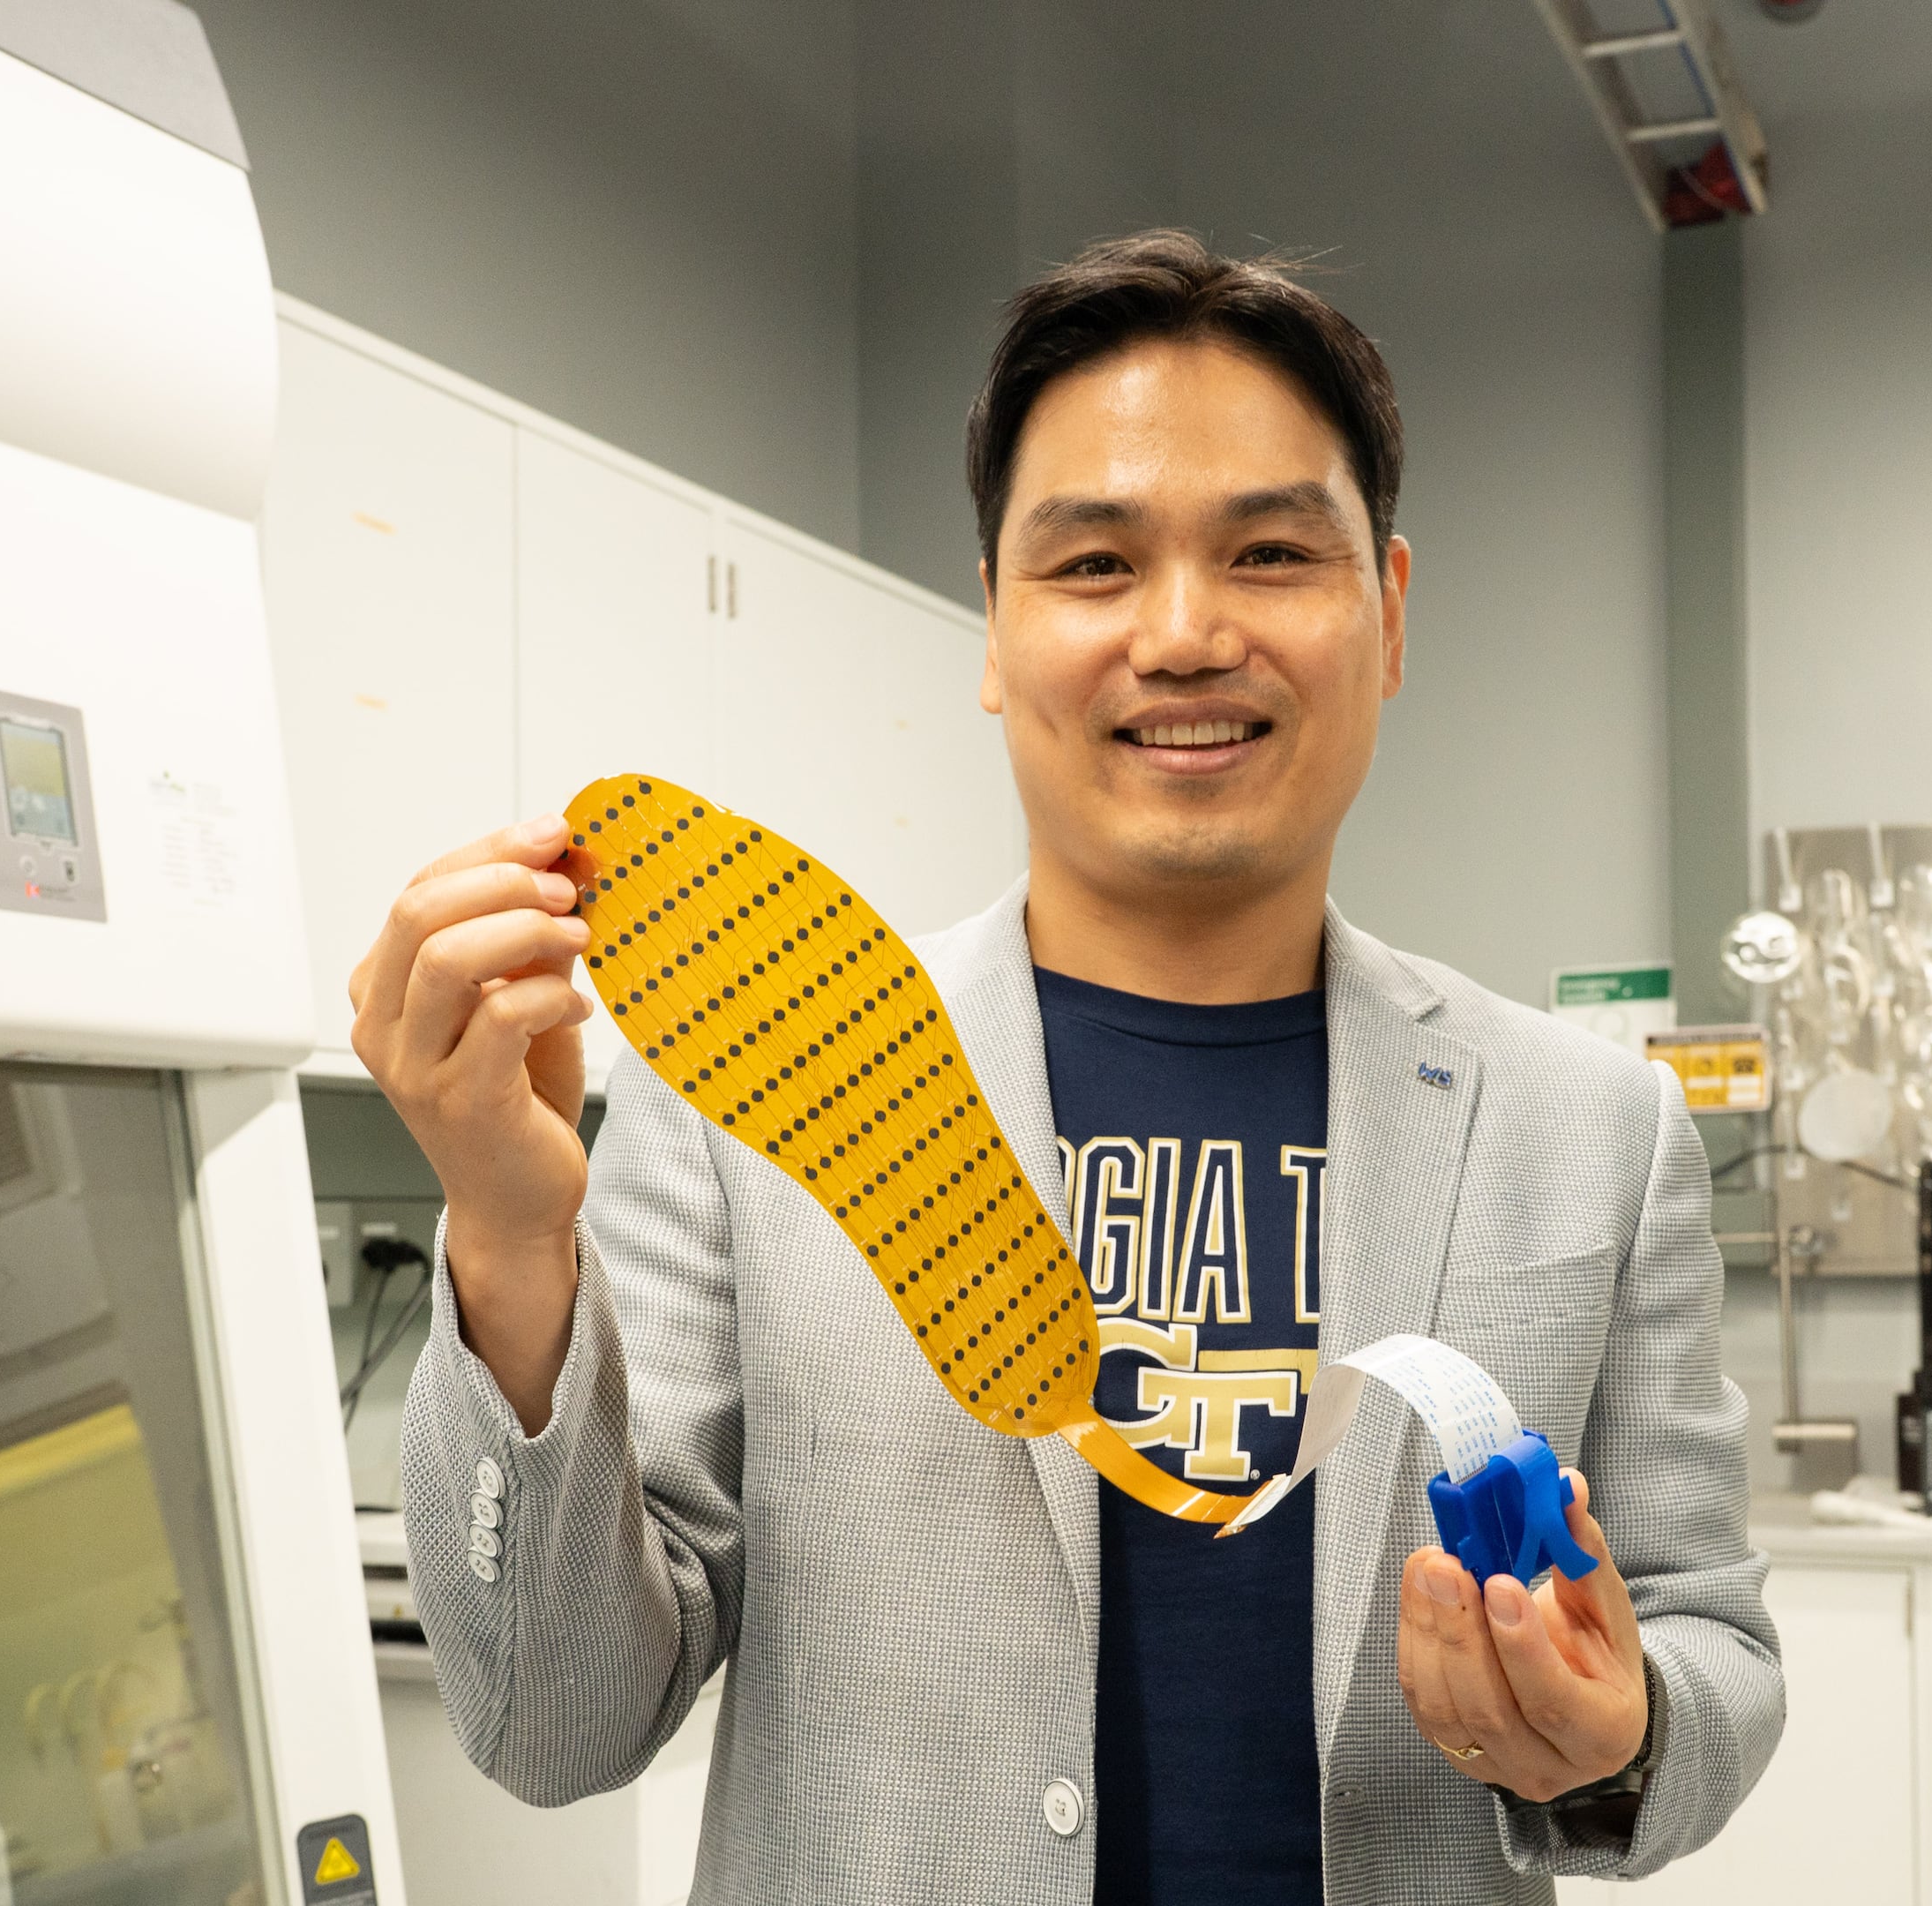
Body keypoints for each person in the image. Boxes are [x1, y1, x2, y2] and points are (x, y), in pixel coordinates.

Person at [365, 229, 1781, 1902]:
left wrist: (1618, 1736)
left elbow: (1715, 1647)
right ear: (991, 627)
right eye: (1094, 564)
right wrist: (511, 1244)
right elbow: (556, 1729)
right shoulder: (757, 1098)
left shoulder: (1589, 1131)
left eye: (1269, 553)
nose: (1181, 635)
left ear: (1387, 615)